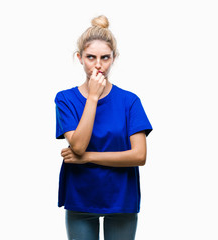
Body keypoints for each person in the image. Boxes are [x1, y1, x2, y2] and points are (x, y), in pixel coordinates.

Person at [54, 15, 152, 240]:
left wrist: (87, 157)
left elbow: (139, 155)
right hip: (81, 195)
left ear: (113, 58)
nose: (98, 65)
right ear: (80, 58)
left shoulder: (130, 101)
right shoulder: (65, 99)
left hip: (121, 197)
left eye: (105, 58)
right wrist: (93, 98)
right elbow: (77, 145)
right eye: (91, 57)